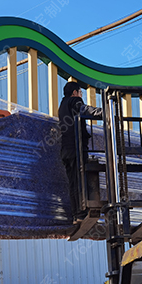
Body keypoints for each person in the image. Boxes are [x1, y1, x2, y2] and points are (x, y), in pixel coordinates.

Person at [58, 82, 103, 221]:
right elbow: (84, 110)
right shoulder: (74, 101)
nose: (80, 95)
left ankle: (76, 215)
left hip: (66, 150)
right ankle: (82, 212)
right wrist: (104, 112)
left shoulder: (62, 106)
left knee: (73, 183)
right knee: (80, 180)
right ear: (74, 93)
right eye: (80, 92)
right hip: (76, 148)